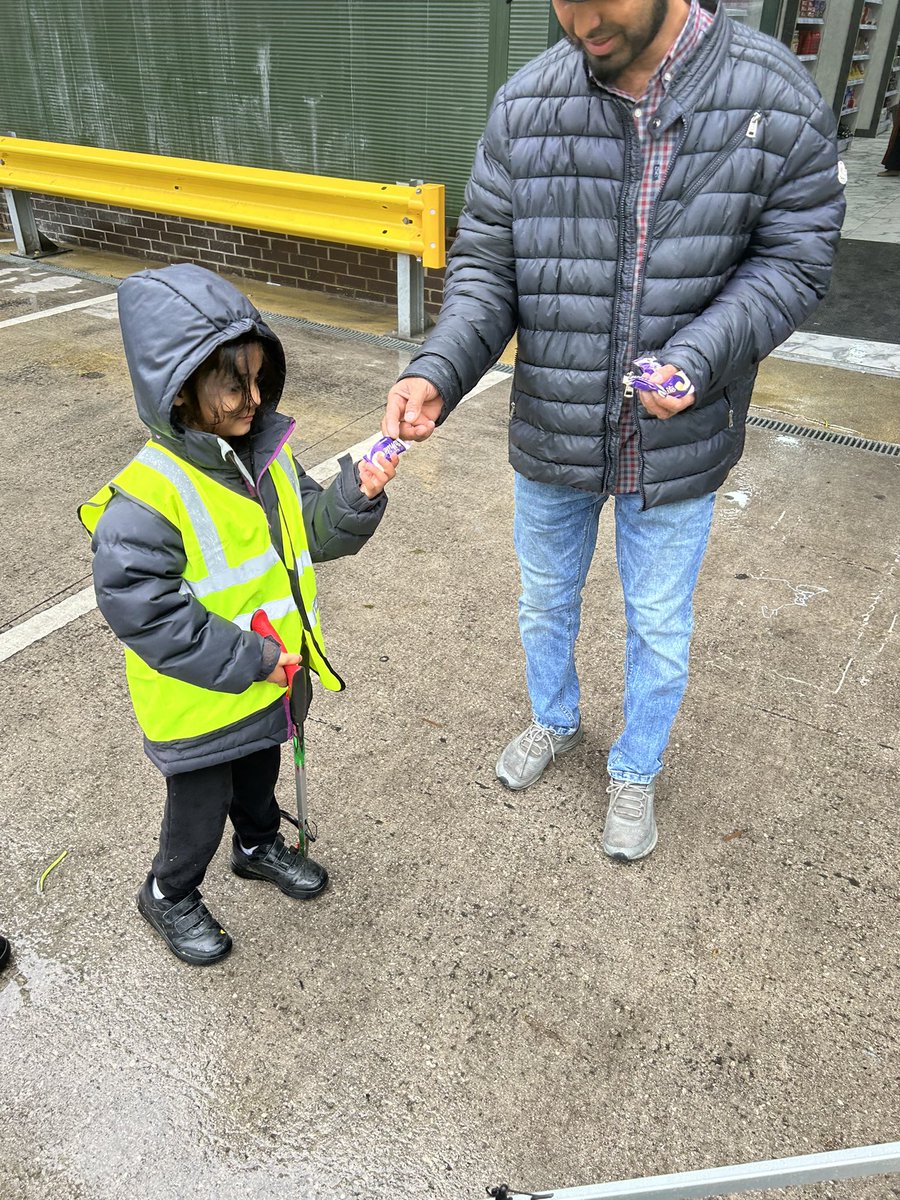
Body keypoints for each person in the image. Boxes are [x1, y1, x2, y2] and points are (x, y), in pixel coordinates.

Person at [383, 0, 845, 861]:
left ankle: (636, 767)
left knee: (659, 620)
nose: (580, 15)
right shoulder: (527, 104)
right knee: (543, 598)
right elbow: (489, 263)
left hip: (680, 436)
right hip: (554, 425)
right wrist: (437, 366)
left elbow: (796, 256)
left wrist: (700, 357)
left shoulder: (773, 96)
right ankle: (555, 719)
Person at [81, 263, 400, 964]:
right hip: (200, 701)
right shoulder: (144, 501)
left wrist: (357, 493)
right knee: (197, 811)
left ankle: (257, 845)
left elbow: (312, 529)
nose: (254, 398)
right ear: (182, 391)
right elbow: (151, 615)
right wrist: (254, 658)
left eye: (260, 379)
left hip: (270, 677)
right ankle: (169, 893)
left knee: (259, 774)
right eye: (235, 385)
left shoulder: (268, 457)